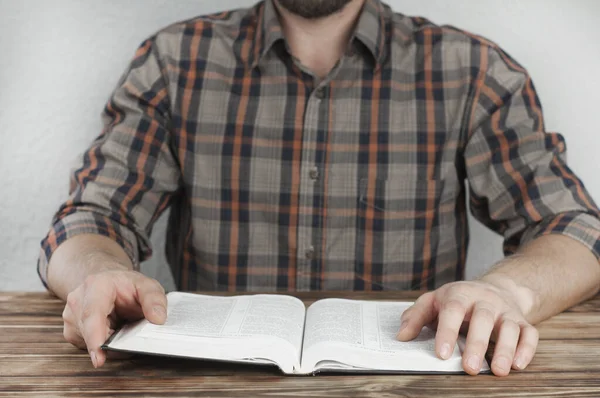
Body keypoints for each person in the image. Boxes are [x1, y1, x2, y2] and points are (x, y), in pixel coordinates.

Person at [39, 0, 600, 377]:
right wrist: (97, 275)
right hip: (210, 383)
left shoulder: (473, 71)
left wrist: (507, 293)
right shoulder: (174, 61)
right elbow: (92, 217)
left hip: (413, 381)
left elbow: (574, 228)